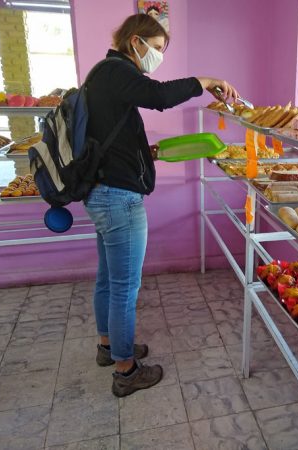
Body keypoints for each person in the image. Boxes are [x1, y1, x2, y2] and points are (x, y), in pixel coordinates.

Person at [84, 13, 238, 397]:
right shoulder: (117, 71)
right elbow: (159, 97)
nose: (157, 56)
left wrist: (145, 152)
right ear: (135, 41)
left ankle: (108, 346)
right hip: (118, 198)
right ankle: (125, 371)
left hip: (102, 192)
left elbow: (112, 131)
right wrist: (206, 81)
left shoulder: (104, 73)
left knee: (108, 279)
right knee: (124, 287)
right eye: (155, 48)